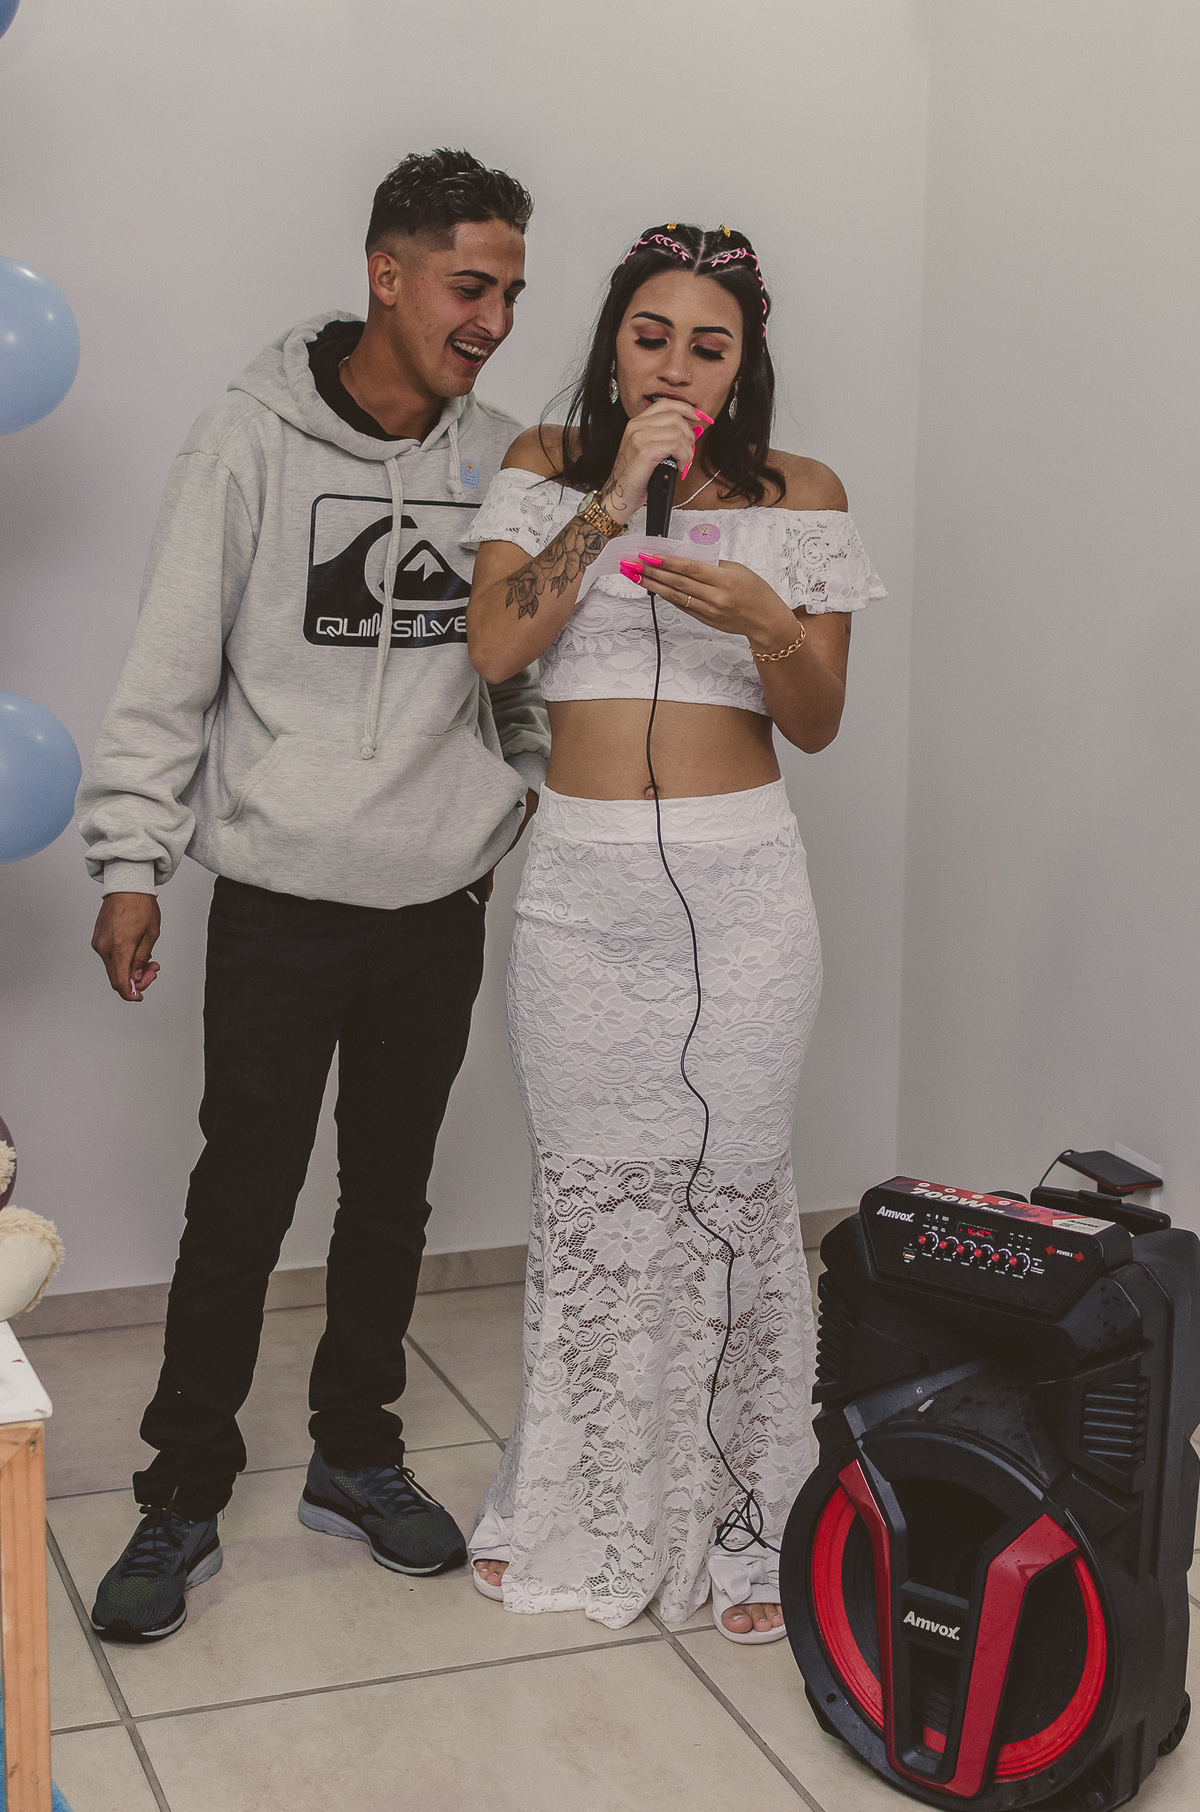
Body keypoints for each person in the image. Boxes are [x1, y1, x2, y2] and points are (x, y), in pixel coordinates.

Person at [76, 149, 549, 1643]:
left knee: (391, 1196)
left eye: (511, 293)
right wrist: (133, 862)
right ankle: (181, 1488)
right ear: (386, 275)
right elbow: (170, 665)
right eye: (469, 286)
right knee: (243, 1196)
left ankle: (356, 1452)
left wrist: (512, 790)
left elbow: (525, 659)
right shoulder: (248, 439)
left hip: (435, 897)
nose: (492, 321)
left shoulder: (508, 460)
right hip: (283, 894)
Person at [462, 223, 885, 1642]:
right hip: (583, 896)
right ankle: (577, 1507)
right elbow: (497, 647)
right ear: (612, 344)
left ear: (744, 363)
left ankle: (749, 1528)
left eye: (711, 346)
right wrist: (608, 502)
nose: (678, 367)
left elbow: (817, 721)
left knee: (735, 1200)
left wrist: (767, 615)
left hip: (745, 889)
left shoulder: (802, 493)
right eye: (652, 336)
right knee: (592, 1207)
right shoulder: (542, 465)